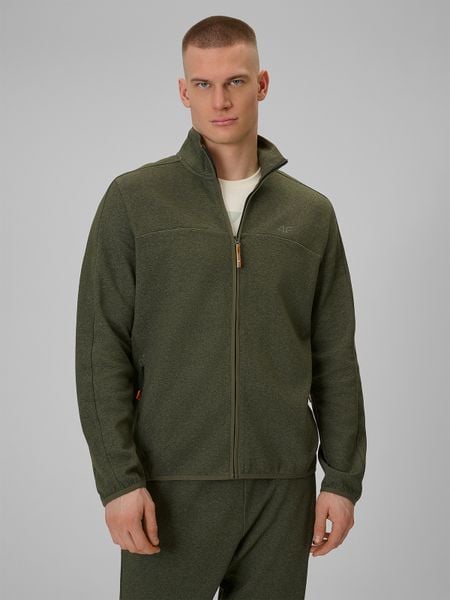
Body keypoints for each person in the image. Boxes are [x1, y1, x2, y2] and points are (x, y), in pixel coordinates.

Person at [75, 14, 367, 600]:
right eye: (203, 84)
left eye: (235, 81)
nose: (220, 100)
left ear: (262, 84)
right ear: (184, 92)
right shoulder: (134, 201)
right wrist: (118, 481)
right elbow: (100, 349)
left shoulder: (310, 215)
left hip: (281, 489)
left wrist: (341, 479)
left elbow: (335, 356)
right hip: (169, 487)